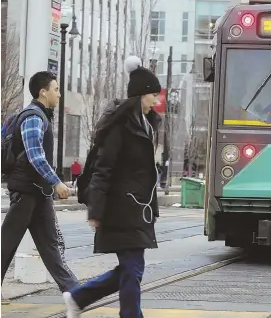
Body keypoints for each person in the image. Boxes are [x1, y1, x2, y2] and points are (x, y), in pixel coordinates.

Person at [63, 56, 161, 318]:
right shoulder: (121, 126)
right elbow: (103, 169)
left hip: (137, 209)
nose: (156, 100)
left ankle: (78, 297)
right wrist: (96, 210)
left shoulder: (147, 125)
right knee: (132, 269)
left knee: (131, 269)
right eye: (153, 95)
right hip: (120, 207)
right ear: (140, 95)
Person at [1, 71, 79, 292]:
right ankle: (74, 291)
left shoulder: (39, 115)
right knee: (6, 246)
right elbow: (35, 155)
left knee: (50, 247)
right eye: (56, 89)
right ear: (43, 92)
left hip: (37, 193)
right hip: (27, 192)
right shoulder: (34, 117)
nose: (59, 94)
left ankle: (74, 292)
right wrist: (56, 182)